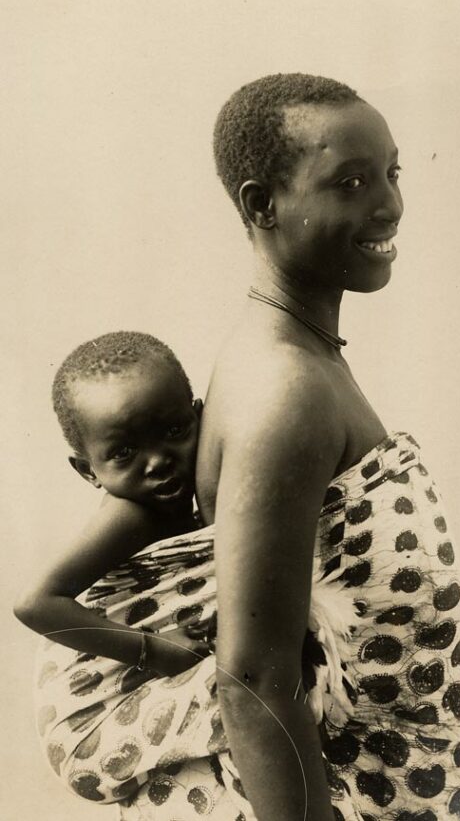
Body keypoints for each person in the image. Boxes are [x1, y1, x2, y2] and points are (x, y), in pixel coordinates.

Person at [124, 72, 460, 821]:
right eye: (350, 182)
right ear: (262, 204)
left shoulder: (303, 359)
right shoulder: (284, 389)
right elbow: (254, 676)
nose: (388, 204)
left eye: (391, 172)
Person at [15, 330, 354, 807]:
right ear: (87, 471)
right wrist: (155, 651)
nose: (158, 462)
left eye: (174, 432)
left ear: (201, 418)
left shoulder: (192, 493)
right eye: (124, 453)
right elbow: (35, 605)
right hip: (90, 716)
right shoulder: (131, 513)